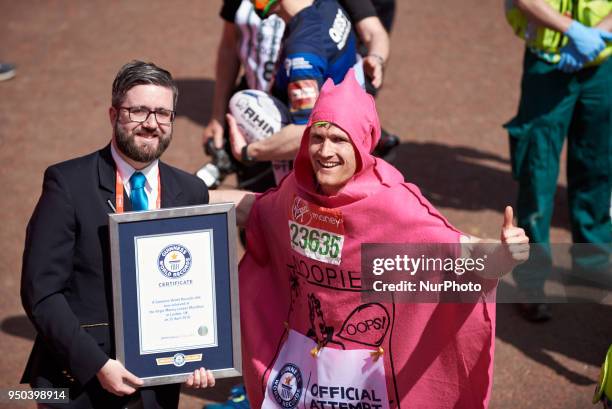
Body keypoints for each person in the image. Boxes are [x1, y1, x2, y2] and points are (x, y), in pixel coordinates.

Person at [238, 70, 529, 409]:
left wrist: (506, 255)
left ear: (363, 144)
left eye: (339, 139)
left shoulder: (393, 205)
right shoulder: (297, 192)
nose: (324, 150)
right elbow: (254, 208)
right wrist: (178, 197)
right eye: (317, 137)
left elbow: (461, 252)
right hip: (304, 375)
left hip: (368, 385)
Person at [20, 61, 215, 409]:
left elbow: (198, 287)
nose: (151, 124)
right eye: (138, 111)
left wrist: (203, 352)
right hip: (75, 383)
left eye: (163, 113)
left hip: (157, 386)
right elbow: (41, 292)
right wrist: (97, 365)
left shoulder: (192, 190)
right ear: (113, 114)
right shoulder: (67, 184)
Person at [201, 0, 392, 191]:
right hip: (339, 130)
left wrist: (248, 152)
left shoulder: (303, 52)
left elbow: (304, 132)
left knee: (273, 209)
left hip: (313, 153)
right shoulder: (325, 7)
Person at [505, 0, 612, 321]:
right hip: (548, 64)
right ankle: (533, 284)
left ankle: (592, 266)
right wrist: (572, 31)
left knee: (597, 167)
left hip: (602, 60)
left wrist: (596, 35)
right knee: (537, 177)